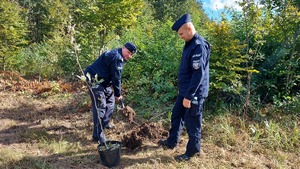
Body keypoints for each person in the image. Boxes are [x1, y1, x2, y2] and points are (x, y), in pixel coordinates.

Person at [158, 13, 211, 161]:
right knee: (176, 115)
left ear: (188, 28)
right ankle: (171, 142)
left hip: (193, 93)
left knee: (192, 122)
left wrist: (189, 96)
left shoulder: (198, 46)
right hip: (185, 91)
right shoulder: (189, 44)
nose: (180, 36)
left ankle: (192, 152)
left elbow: (198, 74)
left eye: (181, 33)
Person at [84, 42, 137, 143]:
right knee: (100, 105)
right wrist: (118, 94)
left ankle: (104, 123)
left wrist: (115, 91)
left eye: (131, 54)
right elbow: (116, 78)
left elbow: (112, 74)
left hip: (104, 81)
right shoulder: (116, 57)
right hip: (94, 80)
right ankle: (97, 135)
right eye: (128, 52)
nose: (129, 56)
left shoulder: (119, 55)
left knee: (110, 102)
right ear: (123, 48)